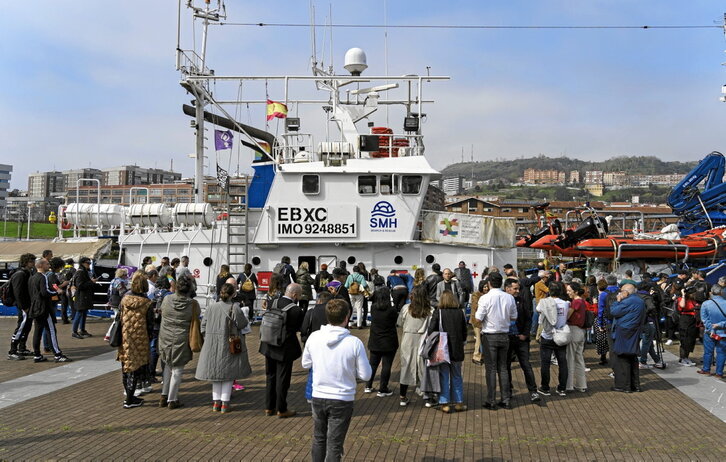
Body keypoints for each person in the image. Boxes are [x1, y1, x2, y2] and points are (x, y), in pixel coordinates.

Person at [302, 299, 372, 462]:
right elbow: (366, 375)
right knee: (334, 444)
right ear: (347, 317)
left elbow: (305, 363)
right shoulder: (354, 343)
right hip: (342, 398)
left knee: (319, 438)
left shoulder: (314, 337)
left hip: (318, 395)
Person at [195, 282, 252, 413]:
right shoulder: (234, 307)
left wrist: (208, 336)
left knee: (216, 374)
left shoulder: (210, 307)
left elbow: (203, 325)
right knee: (228, 374)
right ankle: (225, 403)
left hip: (212, 343)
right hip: (229, 343)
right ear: (233, 294)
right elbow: (242, 324)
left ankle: (216, 403)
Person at [260, 283, 304, 418]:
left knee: (270, 376)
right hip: (284, 347)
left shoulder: (272, 302)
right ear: (295, 295)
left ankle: (269, 407)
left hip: (268, 343)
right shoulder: (296, 310)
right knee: (283, 379)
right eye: (300, 295)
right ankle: (281, 409)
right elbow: (300, 328)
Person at [476, 272, 518, 409]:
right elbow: (514, 317)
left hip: (490, 335)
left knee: (491, 369)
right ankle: (505, 399)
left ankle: (491, 400)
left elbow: (478, 318)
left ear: (489, 283)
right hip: (504, 334)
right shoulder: (509, 298)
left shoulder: (485, 298)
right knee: (503, 368)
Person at [158, 274, 199, 409]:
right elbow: (197, 316)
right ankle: (172, 399)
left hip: (165, 336)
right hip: (181, 337)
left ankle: (164, 395)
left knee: (167, 365)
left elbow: (162, 312)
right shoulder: (193, 304)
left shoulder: (167, 299)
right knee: (178, 369)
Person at [117, 272, 154, 408]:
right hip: (140, 338)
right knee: (136, 367)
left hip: (125, 336)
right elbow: (150, 324)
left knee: (126, 365)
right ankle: (130, 399)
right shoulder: (147, 303)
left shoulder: (124, 299)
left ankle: (128, 395)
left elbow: (119, 317)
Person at [428, 290, 468, 413]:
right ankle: (459, 402)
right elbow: (464, 332)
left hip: (442, 349)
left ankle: (444, 403)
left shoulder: (438, 312)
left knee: (444, 375)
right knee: (456, 375)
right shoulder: (460, 313)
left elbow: (431, 330)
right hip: (456, 348)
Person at [504, 278, 539, 403]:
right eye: (515, 289)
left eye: (518, 288)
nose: (518, 291)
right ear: (507, 289)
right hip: (507, 338)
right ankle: (508, 389)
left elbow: (528, 319)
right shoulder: (502, 301)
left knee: (526, 364)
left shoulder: (522, 301)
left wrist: (525, 334)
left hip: (521, 338)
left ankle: (533, 391)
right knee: (506, 365)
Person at [28, 258, 70, 363]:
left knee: (37, 331)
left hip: (35, 307)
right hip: (44, 308)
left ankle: (37, 355)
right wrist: (57, 292)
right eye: (47, 264)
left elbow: (32, 293)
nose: (49, 265)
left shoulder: (32, 278)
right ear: (41, 265)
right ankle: (57, 354)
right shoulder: (43, 277)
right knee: (51, 330)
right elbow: (45, 292)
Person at [397, 286, 432, 406]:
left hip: (408, 338)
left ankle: (402, 396)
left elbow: (399, 323)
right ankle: (427, 397)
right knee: (423, 367)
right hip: (423, 339)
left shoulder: (406, 308)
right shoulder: (430, 310)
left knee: (406, 366)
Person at [610, 284, 646, 392]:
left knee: (622, 358)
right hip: (635, 331)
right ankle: (636, 385)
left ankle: (625, 386)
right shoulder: (640, 300)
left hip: (624, 332)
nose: (619, 293)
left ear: (626, 292)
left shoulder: (627, 301)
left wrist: (618, 300)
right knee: (633, 358)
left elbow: (614, 311)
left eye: (621, 291)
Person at [536, 281, 570, 397]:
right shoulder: (565, 304)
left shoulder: (543, 302)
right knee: (562, 362)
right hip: (561, 335)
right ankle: (562, 388)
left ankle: (545, 387)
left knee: (545, 363)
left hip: (547, 335)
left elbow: (538, 310)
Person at [364, 287, 399, 396]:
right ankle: (383, 388)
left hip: (375, 340)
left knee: (373, 364)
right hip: (389, 340)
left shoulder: (374, 308)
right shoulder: (392, 310)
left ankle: (368, 385)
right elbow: (395, 321)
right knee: (386, 365)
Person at [301, 291, 335, 402]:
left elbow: (303, 328)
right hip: (331, 344)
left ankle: (311, 395)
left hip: (314, 344)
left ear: (319, 300)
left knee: (313, 369)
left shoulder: (311, 311)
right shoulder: (333, 313)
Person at [7, 253, 36, 360]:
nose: (33, 263)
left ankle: (22, 347)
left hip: (28, 305)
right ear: (26, 262)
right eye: (31, 261)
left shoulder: (28, 272)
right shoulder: (20, 274)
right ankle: (12, 351)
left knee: (27, 327)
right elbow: (18, 293)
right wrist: (24, 306)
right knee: (21, 327)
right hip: (24, 306)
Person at [565, 281, 587, 392]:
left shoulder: (575, 302)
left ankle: (568, 385)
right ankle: (581, 384)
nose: (568, 292)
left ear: (575, 291)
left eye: (569, 290)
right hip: (581, 332)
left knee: (570, 358)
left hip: (573, 330)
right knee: (579, 359)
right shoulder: (582, 301)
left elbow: (567, 316)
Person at [700, 284, 726, 378]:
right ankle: (719, 373)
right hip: (723, 332)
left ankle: (706, 369)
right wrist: (720, 325)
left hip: (709, 333)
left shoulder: (706, 304)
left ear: (711, 292)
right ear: (721, 292)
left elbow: (704, 319)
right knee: (722, 353)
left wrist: (711, 329)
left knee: (708, 352)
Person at [149, 276, 172, 381]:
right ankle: (165, 374)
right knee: (165, 349)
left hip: (154, 323)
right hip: (165, 325)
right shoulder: (169, 295)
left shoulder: (154, 293)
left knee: (153, 348)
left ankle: (151, 372)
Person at [637, 281, 664, 369]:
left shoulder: (636, 296)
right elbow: (651, 307)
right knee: (646, 343)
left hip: (639, 322)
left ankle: (657, 361)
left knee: (649, 343)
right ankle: (642, 362)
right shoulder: (647, 297)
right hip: (648, 321)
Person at [71, 257, 98, 339]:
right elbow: (80, 285)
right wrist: (91, 282)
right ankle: (74, 331)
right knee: (79, 313)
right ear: (83, 263)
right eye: (88, 263)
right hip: (81, 297)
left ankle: (82, 330)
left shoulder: (84, 271)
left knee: (83, 313)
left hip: (84, 296)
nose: (89, 264)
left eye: (89, 263)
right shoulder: (80, 272)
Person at [597, 274, 620, 364]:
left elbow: (600, 311)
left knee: (611, 345)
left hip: (609, 321)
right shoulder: (620, 292)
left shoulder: (603, 294)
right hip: (620, 321)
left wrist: (600, 324)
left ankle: (614, 367)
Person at [104, 268, 129, 342]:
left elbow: (108, 292)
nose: (127, 276)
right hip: (118, 302)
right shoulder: (121, 282)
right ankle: (108, 335)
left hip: (113, 301)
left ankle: (110, 335)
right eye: (126, 275)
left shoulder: (113, 281)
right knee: (117, 319)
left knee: (117, 319)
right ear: (123, 275)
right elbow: (123, 293)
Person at [677, 285, 699, 366]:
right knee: (684, 339)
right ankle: (682, 358)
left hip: (692, 321)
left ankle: (686, 357)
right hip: (685, 320)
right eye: (693, 293)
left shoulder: (693, 300)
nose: (695, 294)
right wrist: (683, 294)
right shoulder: (682, 299)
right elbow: (682, 306)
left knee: (691, 340)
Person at [470, 279, 488, 365]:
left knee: (484, 339)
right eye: (484, 287)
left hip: (486, 320)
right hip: (477, 320)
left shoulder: (488, 295)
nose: (486, 288)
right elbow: (475, 306)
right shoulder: (476, 295)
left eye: (487, 286)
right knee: (478, 339)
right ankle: (476, 356)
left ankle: (482, 355)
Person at [59, 258, 76, 324]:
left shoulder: (62, 270)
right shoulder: (73, 270)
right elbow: (75, 279)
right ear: (72, 263)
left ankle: (64, 319)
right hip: (69, 289)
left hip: (62, 290)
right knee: (72, 305)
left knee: (63, 305)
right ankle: (74, 318)